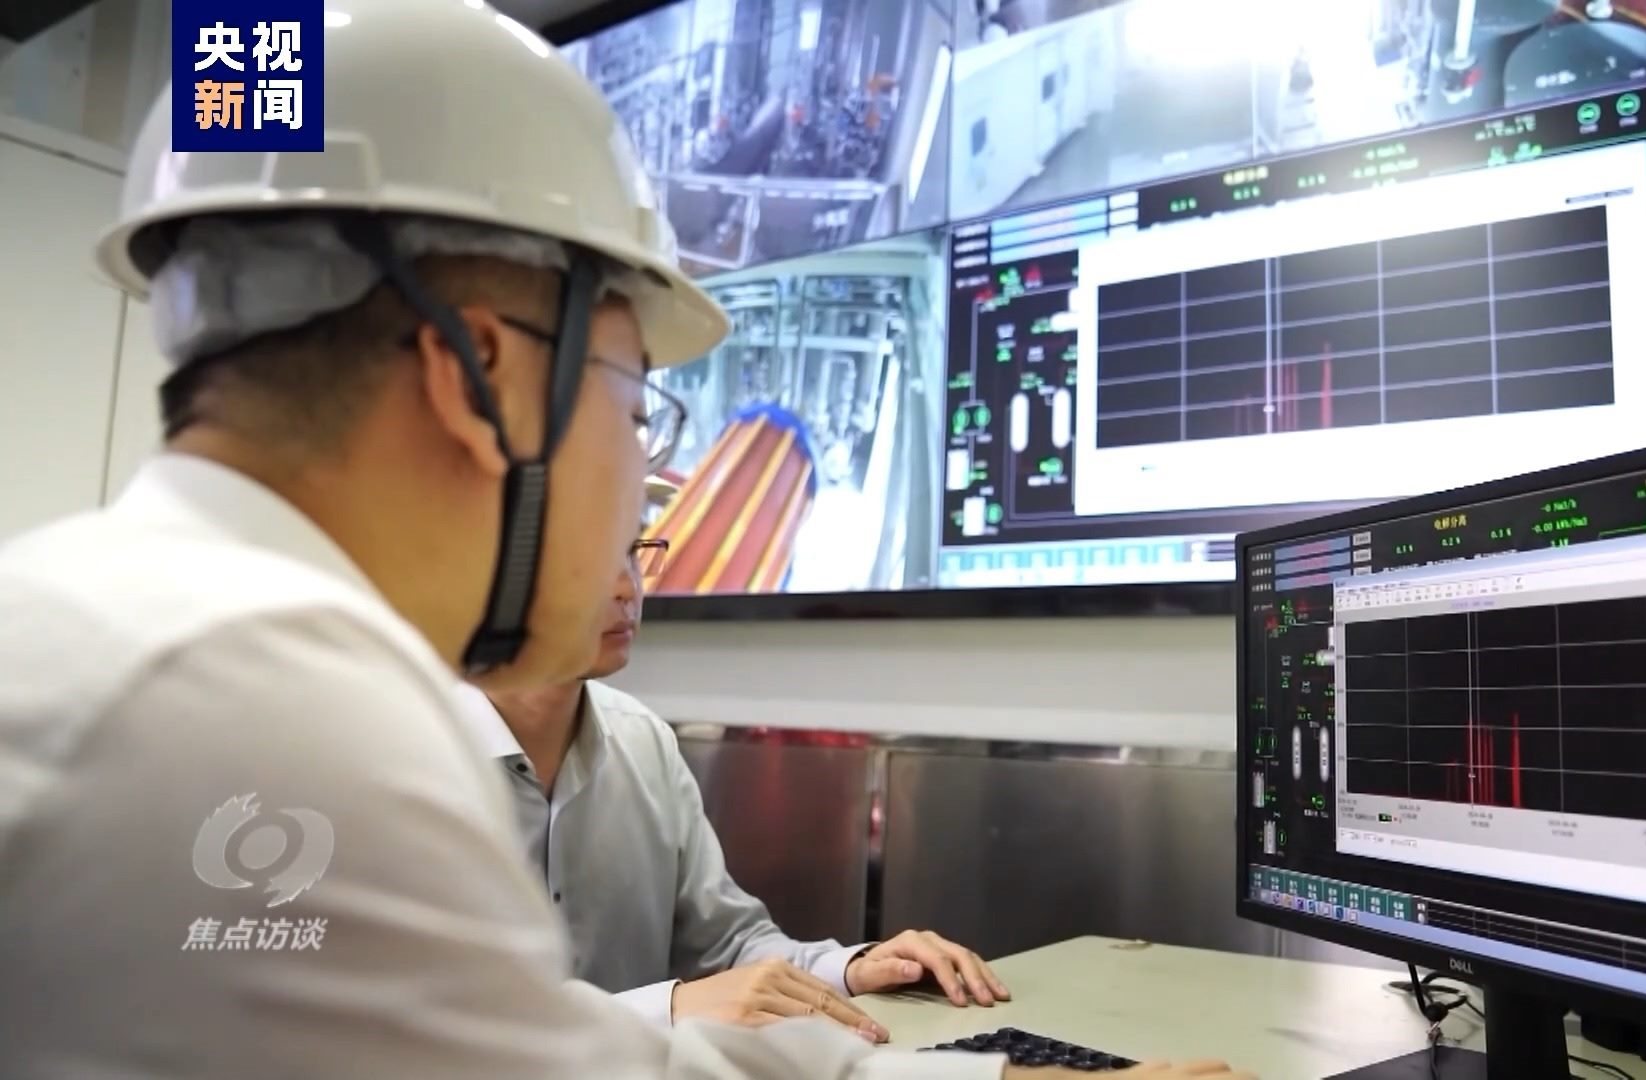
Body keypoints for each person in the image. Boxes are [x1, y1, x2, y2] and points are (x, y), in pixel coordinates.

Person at [0, 2, 1247, 1078]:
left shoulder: (112, 633)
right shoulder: (275, 715)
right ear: (481, 374)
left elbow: (556, 1052)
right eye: (635, 401)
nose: (645, 492)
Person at [457, 540, 1007, 1036]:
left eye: (632, 552)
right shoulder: (419, 755)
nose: (628, 587)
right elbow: (433, 1032)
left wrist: (853, 969)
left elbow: (728, 944)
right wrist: (672, 1007)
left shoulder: (643, 740)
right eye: (595, 556)